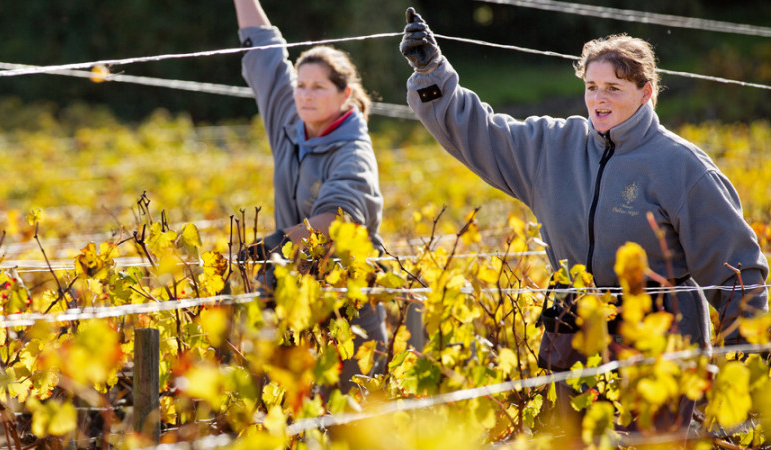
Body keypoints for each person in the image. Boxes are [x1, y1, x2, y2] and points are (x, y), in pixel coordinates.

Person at [400, 7, 768, 429]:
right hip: (572, 341)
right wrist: (431, 72)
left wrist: (744, 370)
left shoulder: (681, 167)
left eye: (614, 87)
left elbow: (737, 270)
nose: (599, 98)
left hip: (660, 350)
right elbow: (480, 132)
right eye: (592, 86)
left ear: (646, 92)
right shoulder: (553, 147)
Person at [233, 0, 389, 392]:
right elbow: (265, 51)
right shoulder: (291, 119)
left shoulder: (353, 151)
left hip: (348, 305)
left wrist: (275, 244)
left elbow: (338, 217)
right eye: (301, 85)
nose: (305, 94)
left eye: (318, 87)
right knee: (285, 412)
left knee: (351, 421)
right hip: (291, 299)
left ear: (345, 95)